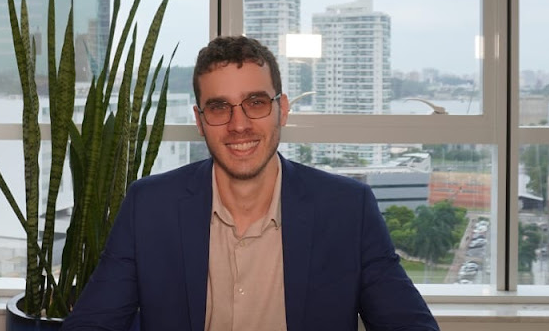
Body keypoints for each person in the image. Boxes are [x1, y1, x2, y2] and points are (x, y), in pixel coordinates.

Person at [63, 35, 440, 331]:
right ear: (199, 120)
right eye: (218, 107)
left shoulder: (347, 209)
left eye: (256, 102)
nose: (239, 125)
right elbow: (92, 324)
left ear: (282, 109)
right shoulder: (149, 207)